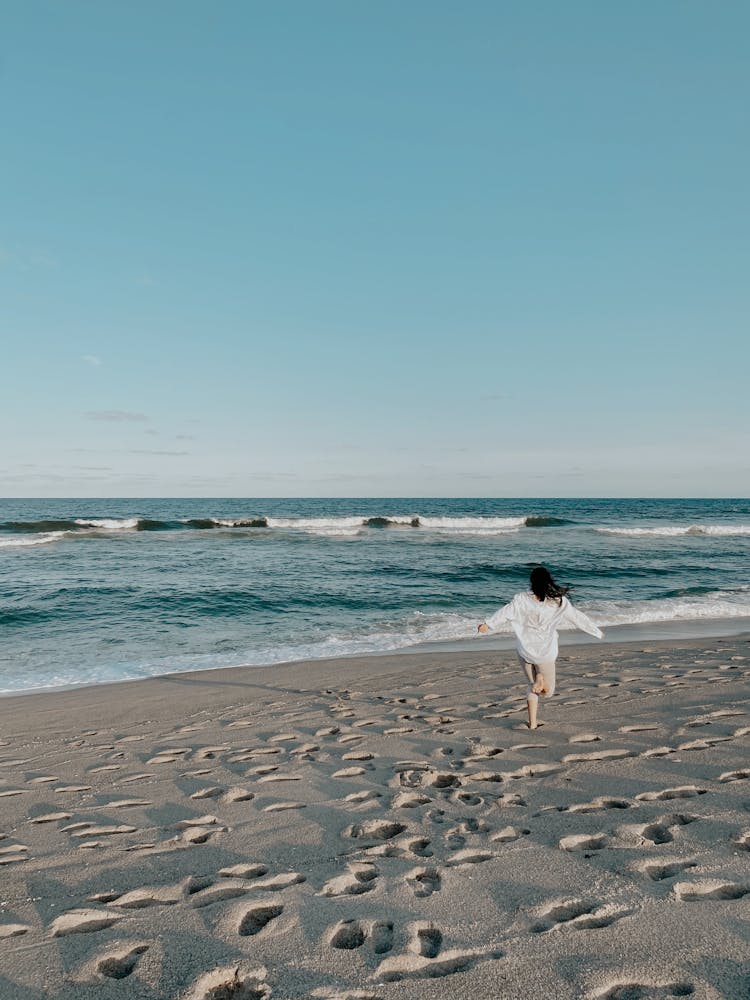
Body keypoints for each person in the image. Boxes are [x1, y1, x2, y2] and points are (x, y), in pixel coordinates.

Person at [477, 566, 603, 729]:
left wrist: (488, 624)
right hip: (545, 653)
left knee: (531, 687)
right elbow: (577, 617)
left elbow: (504, 613)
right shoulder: (558, 602)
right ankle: (541, 680)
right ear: (549, 581)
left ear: (531, 582)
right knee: (547, 692)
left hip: (525, 650)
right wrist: (596, 631)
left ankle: (533, 723)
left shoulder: (521, 599)